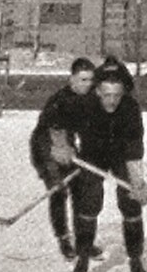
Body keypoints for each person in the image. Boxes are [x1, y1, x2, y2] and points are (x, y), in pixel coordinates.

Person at [49, 69, 147, 272]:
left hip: (121, 156)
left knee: (131, 204)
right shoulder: (83, 105)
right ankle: (83, 259)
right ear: (97, 92)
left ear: (123, 93)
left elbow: (134, 151)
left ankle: (135, 259)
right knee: (89, 204)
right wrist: (61, 146)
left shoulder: (131, 109)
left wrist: (138, 184)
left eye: (117, 95)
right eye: (107, 95)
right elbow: (57, 122)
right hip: (92, 157)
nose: (112, 100)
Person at [28, 57, 97, 260]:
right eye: (83, 80)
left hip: (70, 146)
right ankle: (64, 240)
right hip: (46, 148)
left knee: (81, 193)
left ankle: (83, 241)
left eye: (90, 79)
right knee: (58, 192)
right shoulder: (59, 102)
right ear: (72, 79)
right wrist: (57, 162)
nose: (88, 84)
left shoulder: (91, 98)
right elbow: (52, 136)